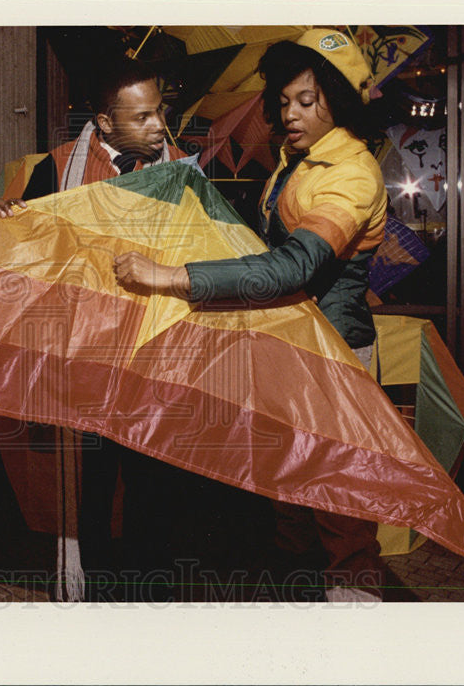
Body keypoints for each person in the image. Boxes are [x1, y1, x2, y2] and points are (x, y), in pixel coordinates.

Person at [113, 29, 408, 602]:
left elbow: (292, 268)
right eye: (283, 102)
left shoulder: (350, 175)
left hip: (336, 358)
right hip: (297, 352)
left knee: (340, 509)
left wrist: (173, 277)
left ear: (340, 101)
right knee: (293, 499)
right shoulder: (297, 164)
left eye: (307, 100)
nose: (290, 114)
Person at [0, 57, 190, 601]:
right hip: (89, 352)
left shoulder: (184, 170)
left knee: (156, 486)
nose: (157, 127)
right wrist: (9, 223)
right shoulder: (58, 167)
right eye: (142, 117)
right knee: (90, 485)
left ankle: (150, 598)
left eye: (159, 112)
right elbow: (33, 245)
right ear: (103, 122)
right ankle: (95, 597)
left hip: (156, 351)